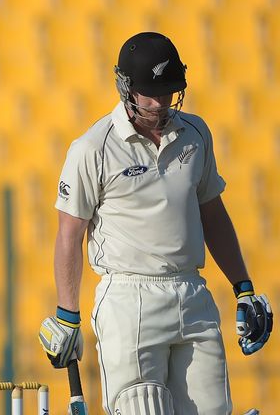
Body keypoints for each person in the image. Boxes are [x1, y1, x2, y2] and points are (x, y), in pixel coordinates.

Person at [37, 32, 273, 414]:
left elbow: (212, 213)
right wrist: (67, 316)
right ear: (125, 87)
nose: (160, 103)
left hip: (192, 291)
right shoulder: (93, 148)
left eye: (168, 91)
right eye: (150, 93)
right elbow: (70, 233)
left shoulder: (195, 135)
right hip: (130, 299)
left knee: (214, 410)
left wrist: (242, 287)